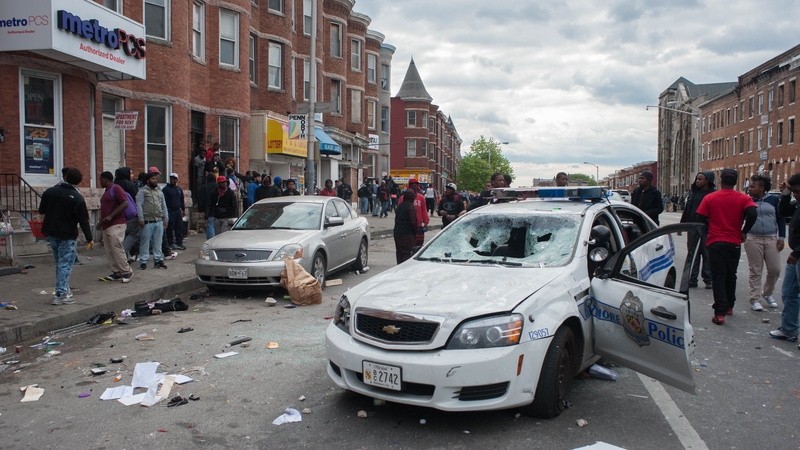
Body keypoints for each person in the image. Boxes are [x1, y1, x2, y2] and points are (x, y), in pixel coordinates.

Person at [696, 169, 757, 325]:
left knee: (718, 276)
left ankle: (720, 312)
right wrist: (744, 230)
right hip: (734, 242)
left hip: (715, 241)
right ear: (735, 182)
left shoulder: (710, 197)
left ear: (721, 180)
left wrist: (710, 224)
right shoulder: (743, 198)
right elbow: (752, 213)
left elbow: (700, 217)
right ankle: (729, 305)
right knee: (731, 274)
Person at [38, 168, 93, 304]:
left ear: (65, 177)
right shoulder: (77, 197)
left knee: (60, 263)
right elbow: (83, 220)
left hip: (51, 232)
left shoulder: (50, 192)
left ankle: (64, 289)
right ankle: (61, 293)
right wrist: (89, 238)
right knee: (65, 265)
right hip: (67, 234)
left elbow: (41, 210)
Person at [745, 175, 785, 311]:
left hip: (771, 238)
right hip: (753, 238)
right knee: (755, 270)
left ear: (761, 188)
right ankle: (755, 299)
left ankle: (767, 293)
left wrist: (782, 238)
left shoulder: (774, 200)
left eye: (752, 186)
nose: (749, 189)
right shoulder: (747, 201)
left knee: (775, 269)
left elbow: (781, 219)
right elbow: (740, 218)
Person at [770, 174, 800, 341]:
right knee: (789, 292)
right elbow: (783, 212)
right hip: (795, 256)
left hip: (797, 255)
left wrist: (797, 253)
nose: (795, 194)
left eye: (797, 191)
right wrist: (786, 195)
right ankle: (789, 329)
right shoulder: (797, 204)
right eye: (793, 191)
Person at [680, 172, 716, 289]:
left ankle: (708, 279)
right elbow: (687, 210)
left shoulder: (713, 194)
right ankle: (692, 279)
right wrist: (682, 225)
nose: (697, 181)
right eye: (697, 179)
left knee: (707, 254)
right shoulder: (693, 193)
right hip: (693, 227)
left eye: (700, 179)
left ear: (707, 181)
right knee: (693, 253)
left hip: (707, 228)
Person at [97, 171, 133, 283]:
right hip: (106, 225)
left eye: (101, 180)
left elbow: (124, 203)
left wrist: (111, 216)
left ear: (106, 179)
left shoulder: (116, 188)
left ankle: (126, 271)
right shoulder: (106, 191)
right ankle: (117, 272)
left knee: (116, 247)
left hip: (117, 223)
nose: (100, 182)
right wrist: (101, 221)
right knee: (109, 250)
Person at [136, 171, 169, 270]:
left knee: (158, 242)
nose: (155, 180)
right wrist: (141, 219)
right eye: (153, 179)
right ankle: (143, 261)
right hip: (147, 221)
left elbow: (164, 206)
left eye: (156, 179)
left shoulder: (159, 192)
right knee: (145, 242)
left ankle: (158, 260)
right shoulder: (142, 191)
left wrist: (166, 219)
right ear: (147, 180)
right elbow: (139, 206)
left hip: (158, 220)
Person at [114, 167, 140, 261]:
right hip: (129, 214)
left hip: (115, 215)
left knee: (121, 236)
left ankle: (121, 254)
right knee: (134, 234)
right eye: (131, 173)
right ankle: (123, 253)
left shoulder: (113, 185)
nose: (132, 176)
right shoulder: (130, 185)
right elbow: (137, 200)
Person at [398, 178, 430, 247]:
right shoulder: (402, 198)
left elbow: (424, 211)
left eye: (415, 186)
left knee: (418, 246)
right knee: (407, 247)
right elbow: (399, 212)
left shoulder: (421, 197)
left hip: (418, 226)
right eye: (412, 186)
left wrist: (426, 222)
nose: (414, 188)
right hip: (406, 226)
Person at [393, 188, 422, 264]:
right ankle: (405, 268)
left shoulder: (399, 206)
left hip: (397, 232)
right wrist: (416, 231)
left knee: (399, 252)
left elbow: (396, 219)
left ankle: (399, 266)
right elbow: (414, 222)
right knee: (407, 253)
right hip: (407, 233)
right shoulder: (411, 207)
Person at [162, 173, 186, 250]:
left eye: (174, 179)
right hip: (170, 210)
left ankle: (179, 242)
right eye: (171, 178)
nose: (172, 180)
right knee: (170, 228)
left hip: (177, 210)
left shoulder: (179, 189)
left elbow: (181, 200)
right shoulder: (166, 189)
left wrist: (183, 209)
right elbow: (163, 201)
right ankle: (170, 243)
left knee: (179, 227)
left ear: (177, 180)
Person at [197, 173, 218, 239]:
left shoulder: (203, 187)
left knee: (210, 225)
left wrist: (201, 209)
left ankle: (211, 241)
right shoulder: (218, 187)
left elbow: (200, 199)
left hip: (208, 210)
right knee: (218, 227)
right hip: (218, 210)